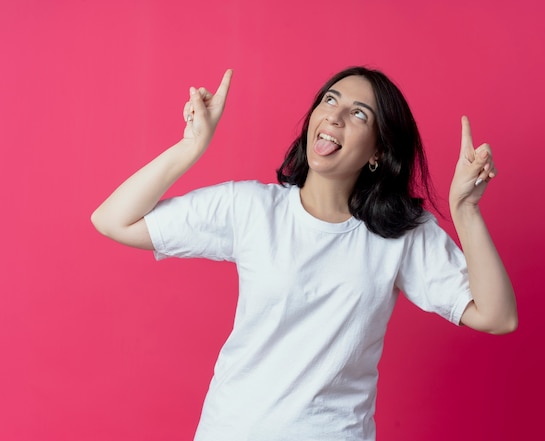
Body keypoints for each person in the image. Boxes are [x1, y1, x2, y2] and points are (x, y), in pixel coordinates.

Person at [91, 66, 517, 441]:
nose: (334, 114)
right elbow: (113, 220)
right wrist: (191, 146)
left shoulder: (400, 233)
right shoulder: (253, 209)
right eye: (330, 100)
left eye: (358, 113)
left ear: (378, 152)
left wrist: (466, 210)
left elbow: (497, 316)